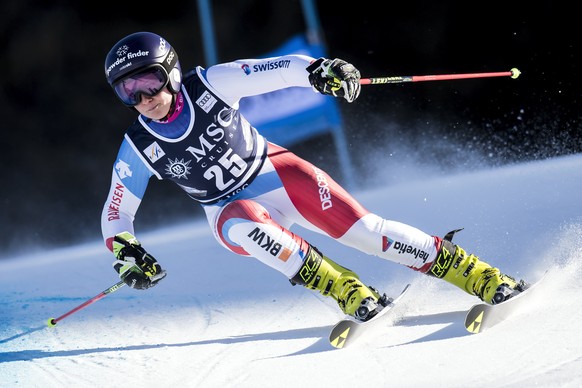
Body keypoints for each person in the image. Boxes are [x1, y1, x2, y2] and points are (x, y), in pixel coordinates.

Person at [101, 31, 528, 321]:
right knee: (245, 220)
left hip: (277, 172)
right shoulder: (140, 145)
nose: (143, 98)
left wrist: (320, 71)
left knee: (367, 233)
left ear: (171, 71)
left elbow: (280, 68)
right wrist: (127, 251)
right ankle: (347, 290)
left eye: (149, 81)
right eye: (127, 91)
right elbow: (116, 213)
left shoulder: (211, 85)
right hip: (228, 212)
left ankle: (477, 274)